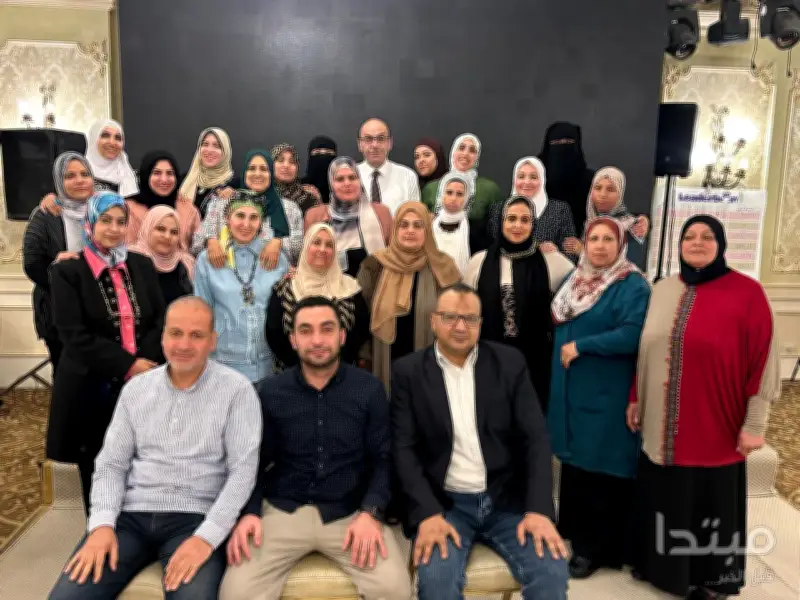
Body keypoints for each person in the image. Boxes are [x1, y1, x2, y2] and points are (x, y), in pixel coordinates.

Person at [47, 297, 262, 600]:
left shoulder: (237, 391)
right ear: (163, 337)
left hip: (195, 517)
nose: (184, 344)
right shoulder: (136, 389)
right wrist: (101, 525)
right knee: (67, 596)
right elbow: (111, 465)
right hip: (129, 518)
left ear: (213, 341)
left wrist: (207, 537)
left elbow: (242, 473)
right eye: (176, 333)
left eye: (196, 335)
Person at [219, 296, 412, 600]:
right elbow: (251, 461)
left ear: (342, 336)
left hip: (350, 512)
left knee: (395, 589)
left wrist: (371, 512)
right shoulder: (270, 392)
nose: (318, 340)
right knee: (235, 593)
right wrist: (250, 513)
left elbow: (383, 459)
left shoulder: (369, 388)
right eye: (306, 331)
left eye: (327, 329)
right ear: (293, 340)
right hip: (282, 510)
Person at [628, 215, 780, 600]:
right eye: (689, 236)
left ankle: (713, 579)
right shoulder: (663, 288)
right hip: (660, 421)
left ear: (721, 244)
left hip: (716, 421)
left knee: (709, 500)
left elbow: (764, 362)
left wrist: (755, 423)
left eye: (707, 236)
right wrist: (636, 398)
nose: (696, 242)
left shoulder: (747, 293)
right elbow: (645, 350)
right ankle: (661, 569)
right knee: (665, 493)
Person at [392, 283, 569, 600]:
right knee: (437, 585)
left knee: (551, 572)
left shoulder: (509, 363)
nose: (460, 327)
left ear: (481, 323)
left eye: (470, 319)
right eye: (450, 317)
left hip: (506, 501)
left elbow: (536, 439)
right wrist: (428, 513)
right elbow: (403, 450)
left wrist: (539, 509)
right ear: (433, 321)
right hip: (445, 505)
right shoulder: (408, 372)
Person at [47, 192, 166, 510]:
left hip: (140, 382)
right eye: (105, 220)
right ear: (90, 223)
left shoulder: (141, 264)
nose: (114, 229)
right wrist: (128, 365)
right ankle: (99, 527)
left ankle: (133, 526)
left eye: (120, 222)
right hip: (91, 386)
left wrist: (144, 363)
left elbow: (159, 319)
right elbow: (74, 336)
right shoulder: (68, 271)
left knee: (139, 460)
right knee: (98, 463)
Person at [547, 217, 650, 579]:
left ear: (621, 245)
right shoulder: (575, 279)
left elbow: (633, 334)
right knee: (577, 462)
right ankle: (575, 532)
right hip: (572, 387)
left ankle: (596, 548)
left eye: (609, 239)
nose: (601, 246)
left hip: (607, 390)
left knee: (601, 465)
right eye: (594, 239)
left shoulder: (631, 284)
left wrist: (583, 345)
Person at [465, 196, 573, 412]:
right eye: (511, 219)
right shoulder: (480, 261)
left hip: (534, 361)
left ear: (533, 224)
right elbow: (466, 310)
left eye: (525, 220)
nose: (518, 225)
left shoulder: (551, 262)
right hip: (488, 357)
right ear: (501, 222)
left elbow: (585, 282)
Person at [358, 201, 461, 391]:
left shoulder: (444, 267)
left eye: (418, 225)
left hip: (432, 366)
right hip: (385, 363)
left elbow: (456, 318)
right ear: (395, 229)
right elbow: (362, 318)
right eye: (403, 225)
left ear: (427, 230)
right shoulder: (374, 265)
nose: (410, 231)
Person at [193, 194, 288, 382]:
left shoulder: (277, 259)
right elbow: (201, 312)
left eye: (253, 217)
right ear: (228, 218)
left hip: (268, 367)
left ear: (261, 223)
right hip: (222, 366)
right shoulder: (207, 260)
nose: (246, 224)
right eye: (240, 216)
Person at [23, 152, 94, 373]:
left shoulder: (101, 210)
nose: (79, 180)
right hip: (57, 309)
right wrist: (57, 267)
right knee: (67, 375)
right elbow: (32, 263)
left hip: (96, 310)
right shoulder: (46, 214)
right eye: (69, 176)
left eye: (85, 174)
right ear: (58, 181)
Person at [266, 223, 370, 372]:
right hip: (293, 374)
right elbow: (274, 333)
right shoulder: (285, 288)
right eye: (316, 242)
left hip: (341, 373)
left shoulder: (350, 287)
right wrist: (304, 370)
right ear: (306, 247)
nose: (322, 249)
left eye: (329, 245)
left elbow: (359, 332)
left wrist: (332, 367)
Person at [191, 149, 304, 266]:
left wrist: (278, 242)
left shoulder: (289, 209)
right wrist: (211, 241)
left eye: (264, 169)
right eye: (252, 168)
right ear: (245, 172)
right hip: (226, 274)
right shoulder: (221, 203)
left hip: (272, 275)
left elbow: (299, 253)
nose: (257, 174)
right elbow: (196, 246)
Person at [305, 157, 392, 278]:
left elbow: (392, 255)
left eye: (352, 178)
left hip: (375, 283)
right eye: (340, 179)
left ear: (359, 181)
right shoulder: (315, 216)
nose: (347, 183)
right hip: (326, 283)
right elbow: (308, 260)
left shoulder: (381, 213)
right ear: (331, 184)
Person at [421, 133, 504, 252]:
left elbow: (496, 232)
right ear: (453, 152)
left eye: (472, 150)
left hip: (475, 255)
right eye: (461, 148)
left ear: (477, 156)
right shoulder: (431, 188)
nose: (465, 153)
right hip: (434, 254)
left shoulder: (490, 189)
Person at [37, 120, 138, 214]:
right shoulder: (75, 168)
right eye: (105, 135)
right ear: (93, 138)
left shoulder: (127, 174)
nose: (112, 142)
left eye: (118, 138)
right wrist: (52, 199)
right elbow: (59, 198)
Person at [126, 151, 201, 249]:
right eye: (157, 173)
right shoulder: (129, 209)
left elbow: (198, 247)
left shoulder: (187, 209)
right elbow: (125, 248)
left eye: (170, 173)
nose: (164, 179)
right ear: (146, 175)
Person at [511, 156, 579, 261]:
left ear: (542, 180)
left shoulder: (559, 210)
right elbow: (493, 250)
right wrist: (535, 249)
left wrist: (555, 253)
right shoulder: (499, 210)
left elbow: (571, 253)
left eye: (533, 177)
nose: (527, 182)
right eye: (521, 176)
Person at [129, 205, 195, 306]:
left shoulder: (186, 263)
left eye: (174, 232)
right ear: (148, 228)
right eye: (161, 229)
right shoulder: (130, 259)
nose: (167, 236)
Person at [538, 121, 596, 233]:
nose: (562, 147)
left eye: (569, 142)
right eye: (556, 142)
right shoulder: (534, 180)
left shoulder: (592, 181)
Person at [356, 118, 420, 214]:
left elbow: (415, 215)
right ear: (360, 144)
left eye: (381, 138)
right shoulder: (349, 176)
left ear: (390, 143)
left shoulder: (407, 176)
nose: (375, 145)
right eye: (368, 139)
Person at [582, 167, 649, 253]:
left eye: (610, 189)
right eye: (598, 188)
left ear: (620, 194)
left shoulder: (633, 228)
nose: (603, 195)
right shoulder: (586, 223)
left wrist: (581, 251)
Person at [178, 127, 237, 218]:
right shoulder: (185, 180)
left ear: (225, 151)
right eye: (205, 144)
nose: (209, 150)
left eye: (217, 146)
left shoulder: (233, 185)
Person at [431, 172, 474, 274]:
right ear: (442, 194)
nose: (453, 198)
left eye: (459, 194)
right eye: (449, 192)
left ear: (467, 198)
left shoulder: (475, 230)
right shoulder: (429, 225)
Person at [271, 143, 320, 215]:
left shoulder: (309, 199)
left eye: (292, 162)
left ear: (297, 167)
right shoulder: (260, 196)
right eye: (280, 160)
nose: (286, 165)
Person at [301, 135, 337, 203]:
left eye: (328, 153)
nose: (323, 157)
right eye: (317, 153)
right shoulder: (299, 187)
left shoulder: (343, 186)